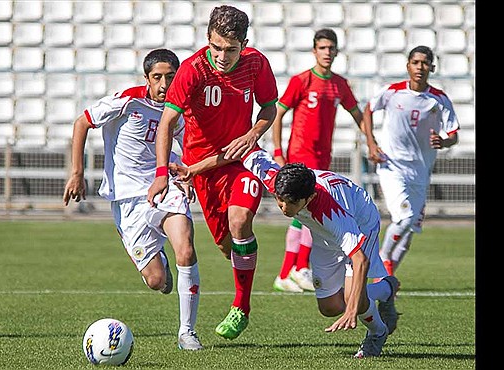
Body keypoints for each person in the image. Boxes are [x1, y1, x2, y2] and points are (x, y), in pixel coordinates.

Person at [168, 147, 400, 358]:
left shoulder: (331, 213)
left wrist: (352, 310)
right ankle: (387, 288)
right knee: (329, 307)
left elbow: (360, 260)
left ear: (309, 198)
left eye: (290, 203)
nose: (283, 208)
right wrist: (193, 169)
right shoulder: (275, 178)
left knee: (353, 300)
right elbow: (237, 152)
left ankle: (377, 334)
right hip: (324, 234)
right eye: (280, 200)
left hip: (360, 221)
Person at [146, 5, 278, 340]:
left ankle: (241, 307)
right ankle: (242, 285)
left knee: (239, 222)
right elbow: (167, 123)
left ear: (244, 44)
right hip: (201, 169)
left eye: (231, 49)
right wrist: (163, 172)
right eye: (216, 47)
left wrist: (251, 135)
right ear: (208, 39)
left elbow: (269, 107)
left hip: (242, 160)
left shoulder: (256, 64)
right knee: (227, 247)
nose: (221, 56)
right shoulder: (192, 70)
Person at [62, 49, 203, 351]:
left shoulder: (178, 110)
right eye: (158, 77)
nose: (164, 84)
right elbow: (82, 123)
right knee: (156, 281)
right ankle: (158, 261)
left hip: (164, 186)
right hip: (127, 198)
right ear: (147, 78)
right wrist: (77, 173)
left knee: (186, 247)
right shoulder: (128, 100)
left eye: (170, 77)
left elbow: (187, 147)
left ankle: (187, 332)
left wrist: (187, 172)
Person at [271, 28, 364, 293]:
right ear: (315, 51)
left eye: (330, 48)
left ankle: (288, 272)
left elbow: (358, 113)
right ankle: (299, 268)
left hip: (323, 157)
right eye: (322, 48)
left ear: (336, 51)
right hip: (300, 156)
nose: (326, 52)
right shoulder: (302, 81)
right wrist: (278, 151)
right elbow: (277, 114)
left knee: (303, 215)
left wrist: (371, 140)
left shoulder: (339, 85)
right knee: (306, 212)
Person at [360, 45, 460, 290]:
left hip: (421, 172)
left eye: (425, 63)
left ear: (432, 68)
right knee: (403, 218)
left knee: (411, 227)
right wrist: (372, 144)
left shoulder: (439, 99)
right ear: (408, 65)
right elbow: (368, 110)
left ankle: (384, 282)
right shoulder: (392, 92)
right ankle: (382, 264)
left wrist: (444, 141)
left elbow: (454, 133)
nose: (420, 67)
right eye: (416, 62)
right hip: (391, 167)